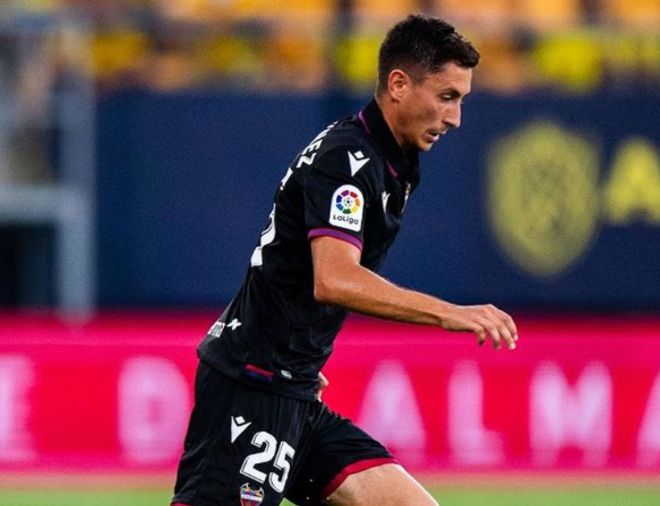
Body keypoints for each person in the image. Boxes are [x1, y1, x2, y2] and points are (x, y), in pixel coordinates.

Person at [171, 14, 518, 506]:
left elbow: (296, 272)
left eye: (461, 99)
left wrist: (305, 349)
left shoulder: (391, 162)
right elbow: (334, 279)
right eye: (447, 97)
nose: (456, 117)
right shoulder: (348, 160)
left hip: (295, 389)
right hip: (252, 387)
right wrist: (450, 312)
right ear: (398, 84)